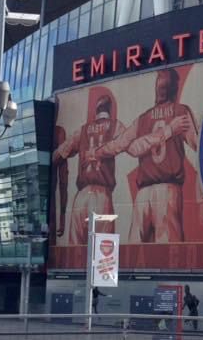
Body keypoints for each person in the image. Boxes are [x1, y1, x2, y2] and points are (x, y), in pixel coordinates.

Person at [55, 90, 186, 245]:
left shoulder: (82, 131)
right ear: (109, 110)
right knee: (104, 250)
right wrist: (165, 132)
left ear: (96, 111)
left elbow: (59, 153)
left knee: (75, 250)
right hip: (101, 195)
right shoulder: (115, 125)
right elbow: (130, 147)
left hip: (80, 196)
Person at [125, 69, 199, 243]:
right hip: (167, 189)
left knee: (135, 248)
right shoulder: (180, 111)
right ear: (175, 89)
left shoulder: (143, 118)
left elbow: (131, 148)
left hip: (143, 192)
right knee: (168, 249)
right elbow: (197, 144)